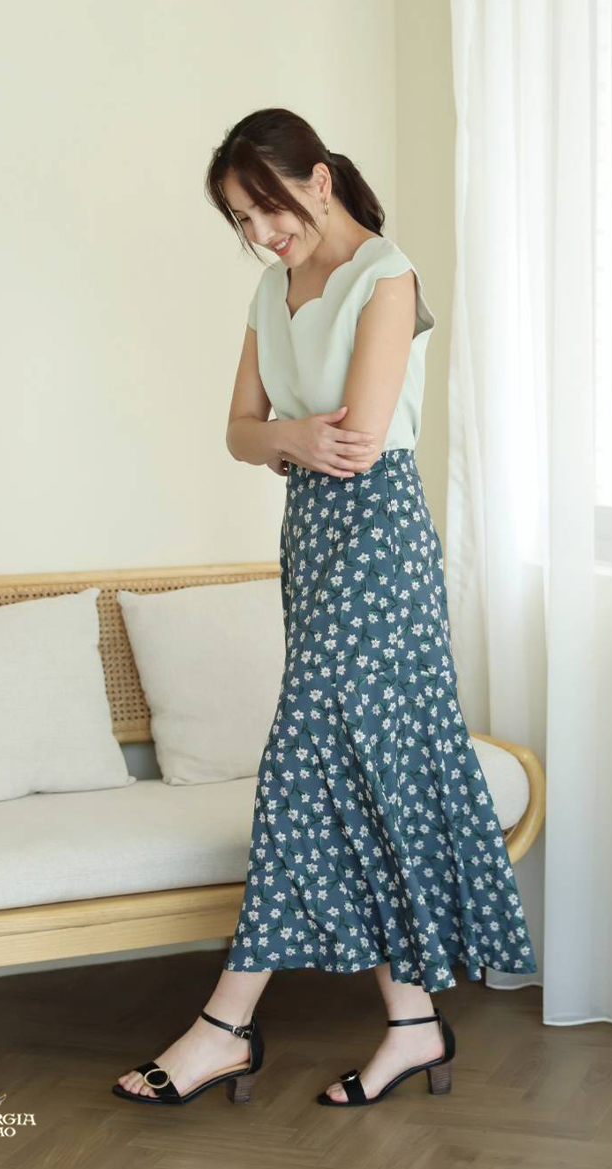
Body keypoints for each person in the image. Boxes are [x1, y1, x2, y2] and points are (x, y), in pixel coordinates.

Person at [112, 107, 538, 1110]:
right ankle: (412, 1022)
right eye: (240, 219)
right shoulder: (271, 290)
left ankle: (225, 1025)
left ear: (317, 179)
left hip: (379, 542)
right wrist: (287, 439)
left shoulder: (387, 275)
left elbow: (360, 437)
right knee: (356, 769)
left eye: (268, 208)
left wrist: (285, 436)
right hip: (310, 538)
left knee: (305, 759)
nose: (261, 234)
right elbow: (238, 431)